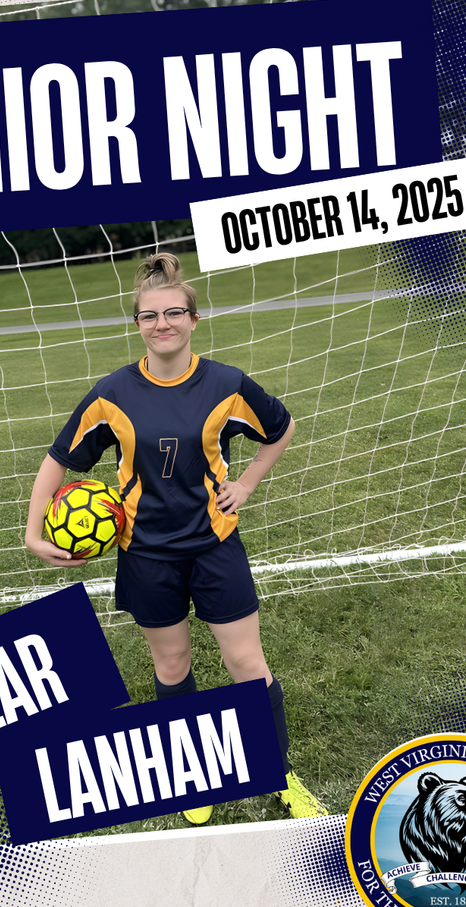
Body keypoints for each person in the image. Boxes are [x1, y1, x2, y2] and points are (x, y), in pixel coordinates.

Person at [25, 252, 326, 824]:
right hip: (146, 555)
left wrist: (248, 482)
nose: (161, 324)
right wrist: (32, 531)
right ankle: (192, 777)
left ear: (193, 318)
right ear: (136, 324)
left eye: (173, 313)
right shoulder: (112, 393)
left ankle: (279, 774)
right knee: (172, 666)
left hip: (215, 544)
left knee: (245, 662)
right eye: (148, 316)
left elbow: (280, 427)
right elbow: (57, 460)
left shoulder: (227, 385)